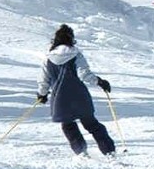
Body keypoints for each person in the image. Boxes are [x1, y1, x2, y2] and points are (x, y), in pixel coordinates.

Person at [35, 24, 117, 156]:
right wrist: (100, 82)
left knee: (68, 126)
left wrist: (42, 94)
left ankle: (81, 152)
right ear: (71, 38)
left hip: (60, 99)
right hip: (79, 96)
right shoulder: (76, 54)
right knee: (92, 124)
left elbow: (44, 80)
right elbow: (84, 74)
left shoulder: (48, 58)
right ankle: (109, 151)